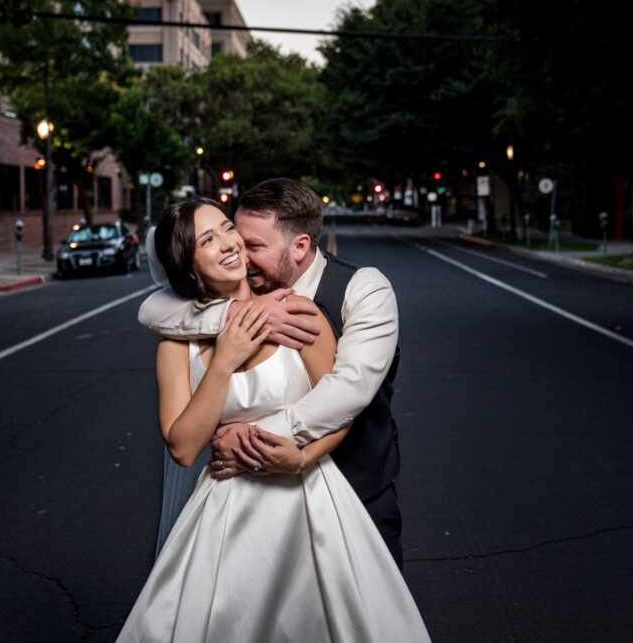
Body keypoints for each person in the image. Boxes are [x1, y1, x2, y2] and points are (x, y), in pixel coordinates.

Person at [116, 197, 429, 642]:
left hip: (312, 500)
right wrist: (223, 361)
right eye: (208, 239)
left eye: (229, 229)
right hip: (227, 509)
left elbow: (341, 410)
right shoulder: (175, 347)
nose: (230, 243)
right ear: (188, 267)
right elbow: (183, 447)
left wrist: (300, 457)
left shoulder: (299, 311)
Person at [139, 178, 404, 567]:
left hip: (350, 493)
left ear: (299, 246)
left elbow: (346, 395)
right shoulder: (235, 309)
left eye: (251, 245)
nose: (238, 251)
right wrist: (234, 320)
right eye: (214, 239)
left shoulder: (362, 291)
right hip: (231, 509)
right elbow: (150, 310)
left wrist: (251, 445)